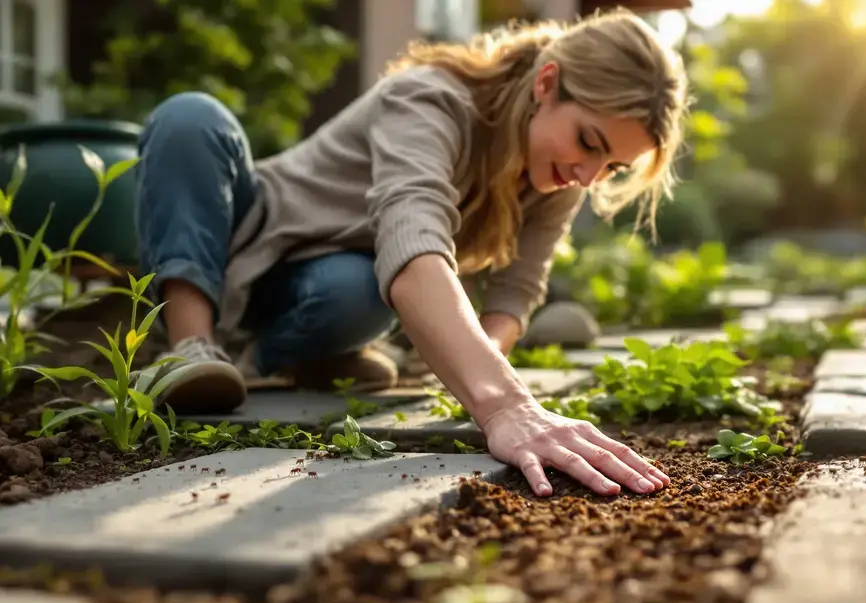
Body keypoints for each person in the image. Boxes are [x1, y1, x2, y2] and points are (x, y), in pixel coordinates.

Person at [133, 9, 687, 498]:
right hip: (241, 242)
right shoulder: (431, 96)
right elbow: (412, 239)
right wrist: (504, 405)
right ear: (547, 83)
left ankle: (278, 359)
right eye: (589, 142)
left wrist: (473, 375)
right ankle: (190, 346)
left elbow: (516, 290)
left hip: (318, 287)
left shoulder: (553, 178)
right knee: (191, 117)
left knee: (360, 295)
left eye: (611, 167)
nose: (588, 176)